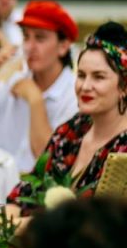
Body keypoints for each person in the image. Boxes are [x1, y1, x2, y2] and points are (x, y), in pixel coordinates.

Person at [7, 22, 127, 215]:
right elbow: (23, 192)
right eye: (81, 75)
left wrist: (21, 227)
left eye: (98, 77)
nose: (85, 86)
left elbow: (94, 226)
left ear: (123, 88)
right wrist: (7, 220)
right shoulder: (74, 129)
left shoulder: (123, 151)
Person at [0, 1, 78, 172]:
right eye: (26, 37)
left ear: (63, 46)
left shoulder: (75, 93)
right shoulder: (13, 80)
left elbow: (51, 165)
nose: (29, 47)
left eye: (40, 38)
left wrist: (35, 100)